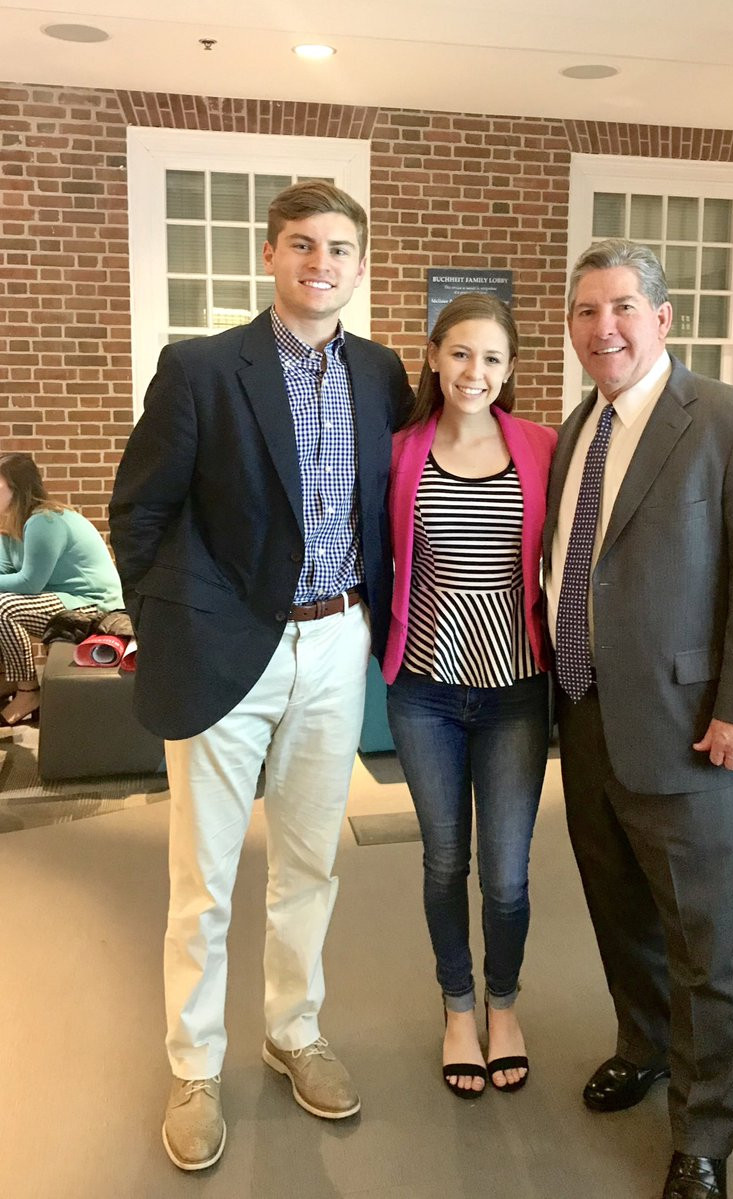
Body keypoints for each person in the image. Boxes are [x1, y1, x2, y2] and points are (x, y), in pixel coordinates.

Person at [109, 180, 413, 1171]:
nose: (319, 262)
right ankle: (195, 1063)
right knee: (201, 876)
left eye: (337, 248)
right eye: (299, 245)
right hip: (225, 641)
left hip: (334, 643)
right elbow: (140, 511)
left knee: (310, 861)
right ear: (270, 256)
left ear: (358, 266)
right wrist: (173, 617)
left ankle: (294, 1031)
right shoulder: (200, 368)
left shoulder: (379, 372)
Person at [544, 240, 733, 1199]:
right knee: (622, 915)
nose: (599, 327)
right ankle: (644, 1046)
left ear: (661, 318)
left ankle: (702, 1132)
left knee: (706, 941)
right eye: (583, 310)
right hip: (587, 719)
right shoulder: (578, 429)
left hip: (698, 729)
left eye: (619, 307)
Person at [382, 293, 556, 1098]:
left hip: (515, 693)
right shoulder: (399, 451)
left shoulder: (544, 448)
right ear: (431, 356)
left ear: (510, 369)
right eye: (459, 354)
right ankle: (458, 1006)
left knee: (508, 874)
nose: (473, 372)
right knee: (444, 859)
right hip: (424, 692)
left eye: (490, 358)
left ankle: (505, 1003)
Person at [0, 453, 123, 725]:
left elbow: (29, 583)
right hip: (60, 598)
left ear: (18, 489)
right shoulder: (10, 525)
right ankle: (6, 678)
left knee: (3, 608)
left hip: (93, 604)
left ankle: (28, 692)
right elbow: (4, 572)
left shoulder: (45, 521)